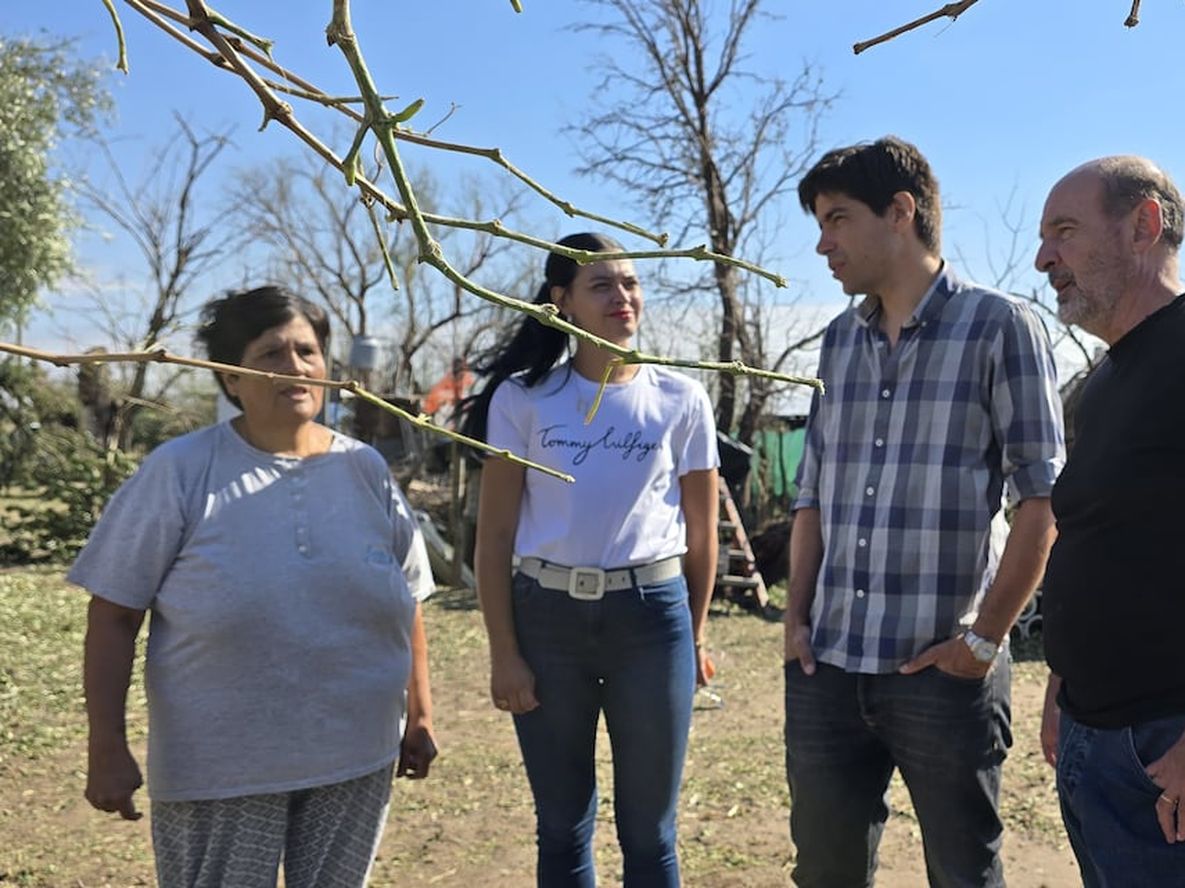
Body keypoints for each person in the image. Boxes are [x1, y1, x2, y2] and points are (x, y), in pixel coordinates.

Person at [72, 285, 438, 887]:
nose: (295, 367)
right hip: (225, 769)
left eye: (308, 351)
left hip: (355, 757)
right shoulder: (182, 472)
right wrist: (106, 746)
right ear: (230, 376)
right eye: (270, 352)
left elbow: (408, 598)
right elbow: (112, 614)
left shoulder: (365, 470)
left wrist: (419, 715)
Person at [784, 136, 1065, 887]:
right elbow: (812, 492)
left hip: (942, 673)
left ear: (901, 212)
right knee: (823, 872)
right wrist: (793, 621)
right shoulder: (838, 341)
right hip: (827, 667)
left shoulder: (1000, 326)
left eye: (837, 219)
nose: (822, 243)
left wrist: (982, 641)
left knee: (962, 873)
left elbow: (1040, 501)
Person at [466, 232, 719, 888]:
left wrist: (693, 630)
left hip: (651, 623)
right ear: (562, 301)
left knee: (650, 831)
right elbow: (492, 536)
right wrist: (503, 651)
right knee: (561, 823)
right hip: (545, 623)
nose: (622, 296)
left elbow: (701, 529)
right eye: (601, 285)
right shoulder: (522, 399)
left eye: (630, 283)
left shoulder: (680, 398)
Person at [1035, 156, 1185, 885]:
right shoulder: (1098, 384)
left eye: (1063, 231)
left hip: (1163, 754)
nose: (1043, 258)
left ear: (1142, 226)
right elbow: (1096, 535)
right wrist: (1061, 683)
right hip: (1091, 740)